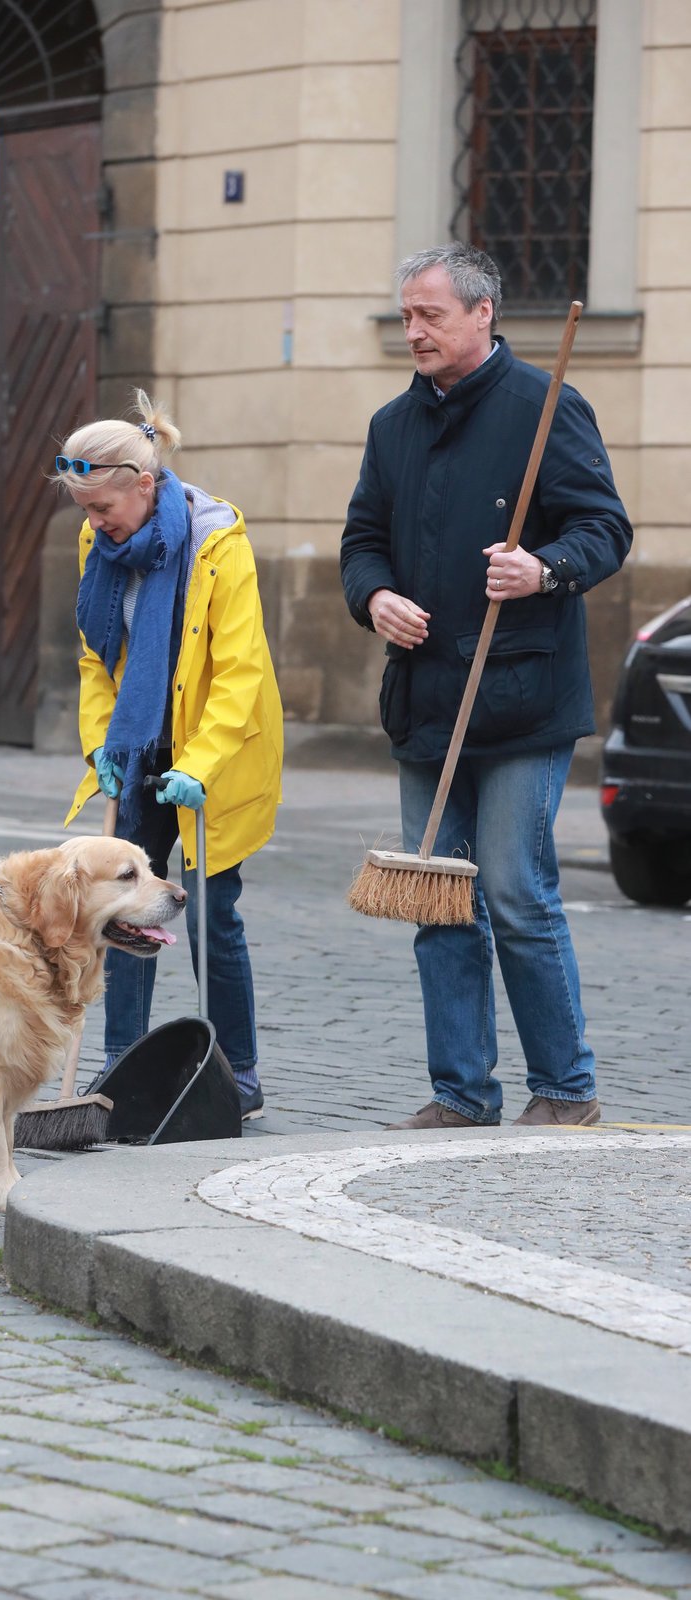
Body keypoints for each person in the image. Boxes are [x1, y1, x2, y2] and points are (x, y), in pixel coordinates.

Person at [340, 242, 632, 1130]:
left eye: (429, 315)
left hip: (521, 699)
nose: (414, 330)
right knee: (439, 900)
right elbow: (361, 543)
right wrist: (376, 597)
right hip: (427, 698)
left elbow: (604, 528)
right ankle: (460, 1095)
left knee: (512, 891)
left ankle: (564, 1092)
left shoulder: (546, 405)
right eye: (405, 316)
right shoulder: (392, 425)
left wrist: (542, 569)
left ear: (481, 314)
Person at [59, 390, 283, 1119]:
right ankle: (119, 1066)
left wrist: (200, 764)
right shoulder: (99, 544)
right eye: (85, 512)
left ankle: (237, 1072)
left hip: (215, 752)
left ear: (145, 485)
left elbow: (240, 670)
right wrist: (102, 749)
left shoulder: (218, 546)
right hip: (138, 747)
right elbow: (97, 658)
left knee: (210, 916)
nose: (94, 525)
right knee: (122, 909)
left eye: (103, 509)